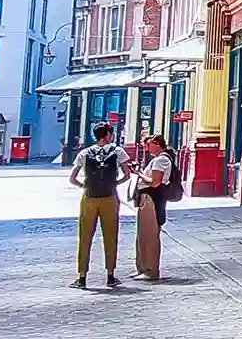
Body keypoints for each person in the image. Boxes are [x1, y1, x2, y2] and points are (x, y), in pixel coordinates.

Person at [68, 122, 130, 289]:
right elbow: (127, 175)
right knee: (110, 236)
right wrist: (115, 183)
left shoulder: (84, 153)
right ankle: (110, 275)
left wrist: (84, 186)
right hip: (109, 197)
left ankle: (82, 277)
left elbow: (72, 178)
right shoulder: (118, 152)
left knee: (85, 236)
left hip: (89, 198)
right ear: (108, 135)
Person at [132, 135, 173, 281]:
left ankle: (150, 269)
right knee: (143, 235)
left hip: (152, 199)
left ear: (156, 144)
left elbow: (155, 182)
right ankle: (142, 267)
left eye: (148, 145)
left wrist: (139, 174)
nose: (146, 149)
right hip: (146, 198)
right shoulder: (156, 160)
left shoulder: (162, 160)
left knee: (150, 236)